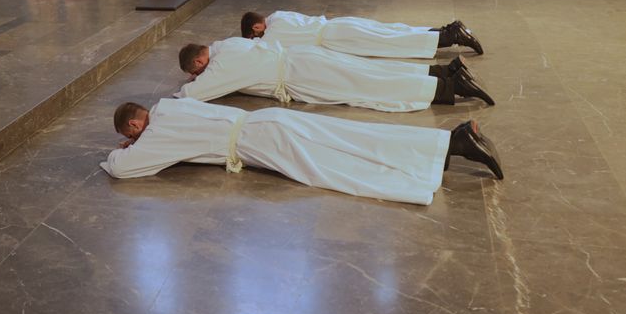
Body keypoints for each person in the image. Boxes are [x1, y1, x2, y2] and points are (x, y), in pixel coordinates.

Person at [104, 98, 503, 204]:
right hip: (266, 119)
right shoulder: (171, 106)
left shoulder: (154, 135)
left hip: (262, 143)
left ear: (136, 126)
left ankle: (449, 149)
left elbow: (122, 169)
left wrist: (122, 150)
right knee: (352, 136)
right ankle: (450, 140)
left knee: (337, 169)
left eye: (133, 133)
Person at [176, 37, 495, 112]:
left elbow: (193, 95)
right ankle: (442, 72)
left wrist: (190, 85)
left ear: (200, 64)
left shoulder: (218, 68)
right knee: (370, 69)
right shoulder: (225, 45)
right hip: (301, 54)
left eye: (196, 71)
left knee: (368, 86)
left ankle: (449, 88)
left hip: (300, 74)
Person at [242, 11, 483, 59]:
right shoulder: (278, 15)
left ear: (256, 28)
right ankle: (448, 30)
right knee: (392, 30)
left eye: (254, 36)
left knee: (391, 42)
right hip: (338, 24)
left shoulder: (272, 33)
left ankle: (452, 37)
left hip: (335, 38)